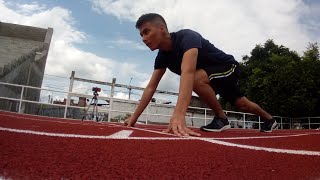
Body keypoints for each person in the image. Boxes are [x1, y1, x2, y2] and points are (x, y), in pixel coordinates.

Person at [123, 13, 277, 136]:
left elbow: (188, 72)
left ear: (162, 28)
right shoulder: (162, 56)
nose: (143, 39)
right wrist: (134, 117)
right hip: (207, 78)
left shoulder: (187, 37)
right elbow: (151, 87)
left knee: (195, 78)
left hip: (227, 67)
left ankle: (221, 118)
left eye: (146, 32)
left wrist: (179, 114)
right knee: (242, 104)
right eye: (141, 35)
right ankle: (270, 119)